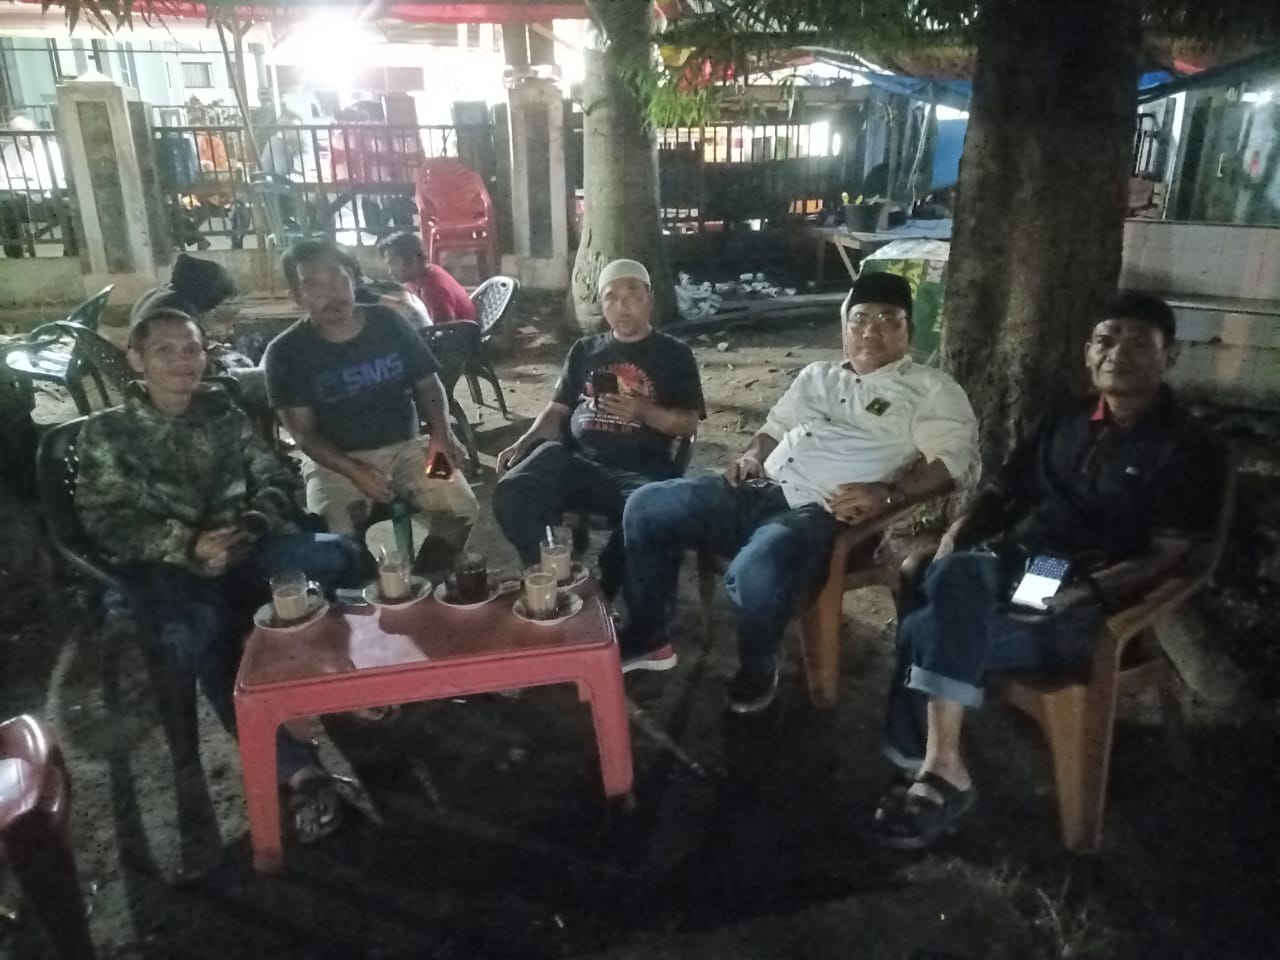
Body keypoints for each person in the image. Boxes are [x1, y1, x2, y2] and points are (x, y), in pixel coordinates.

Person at [868, 291, 1227, 850]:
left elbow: (1167, 555)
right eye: (1106, 341)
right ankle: (938, 767)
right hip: (1029, 563)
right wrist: (957, 534)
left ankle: (925, 763)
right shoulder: (1067, 417)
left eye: (1139, 343)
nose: (1117, 354)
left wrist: (1083, 592)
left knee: (924, 626)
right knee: (948, 573)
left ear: (1170, 356)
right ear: (1088, 352)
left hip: (1086, 591)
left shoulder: (1187, 446)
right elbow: (1001, 489)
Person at [620, 272, 979, 713]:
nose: (871, 330)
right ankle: (650, 635)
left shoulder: (930, 389)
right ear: (844, 326)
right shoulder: (818, 375)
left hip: (820, 512)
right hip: (755, 489)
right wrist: (752, 456)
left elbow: (954, 461)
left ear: (910, 330)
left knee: (756, 572)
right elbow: (774, 428)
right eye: (860, 318)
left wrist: (889, 492)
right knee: (646, 506)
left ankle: (759, 662)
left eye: (889, 319)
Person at [75, 305, 363, 843]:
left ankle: (343, 692)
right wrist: (188, 545)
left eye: (192, 349)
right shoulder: (109, 434)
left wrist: (250, 525)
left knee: (340, 555)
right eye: (165, 350)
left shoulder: (223, 415)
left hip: (246, 548)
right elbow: (106, 522)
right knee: (211, 634)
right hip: (173, 569)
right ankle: (298, 772)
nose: (183, 361)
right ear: (136, 360)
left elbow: (275, 477)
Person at [492, 258, 705, 596]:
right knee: (512, 490)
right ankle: (551, 574)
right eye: (611, 297)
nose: (622, 306)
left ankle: (605, 587)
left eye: (632, 295)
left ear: (649, 299)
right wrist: (526, 441)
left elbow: (688, 423)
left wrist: (644, 411)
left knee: (650, 516)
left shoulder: (674, 354)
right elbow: (558, 408)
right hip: (578, 463)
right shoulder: (585, 350)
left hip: (641, 471)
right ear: (602, 305)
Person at [263, 238, 477, 571]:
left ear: (354, 280)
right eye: (314, 285)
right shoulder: (284, 353)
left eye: (339, 279)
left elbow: (428, 385)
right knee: (333, 533)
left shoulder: (389, 323)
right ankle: (369, 588)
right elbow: (303, 434)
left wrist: (440, 436)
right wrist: (353, 469)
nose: (331, 293)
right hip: (334, 462)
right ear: (296, 296)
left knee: (461, 507)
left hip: (410, 448)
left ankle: (424, 580)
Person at [379, 231, 477, 325]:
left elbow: (444, 330)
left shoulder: (433, 288)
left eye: (394, 263)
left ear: (413, 259)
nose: (390, 272)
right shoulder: (418, 276)